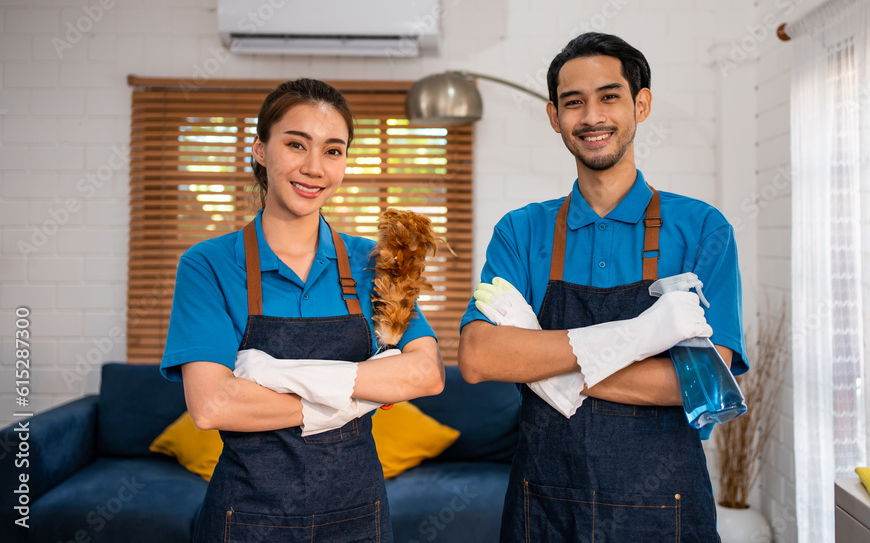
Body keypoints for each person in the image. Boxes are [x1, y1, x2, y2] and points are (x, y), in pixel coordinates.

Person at [459, 33, 748, 542]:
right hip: (543, 507)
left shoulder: (702, 229)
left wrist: (546, 370)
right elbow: (481, 358)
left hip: (665, 510)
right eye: (574, 102)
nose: (592, 116)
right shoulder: (521, 232)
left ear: (641, 104)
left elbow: (705, 383)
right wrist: (636, 354)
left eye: (609, 96)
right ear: (554, 116)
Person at [161, 78, 444, 543]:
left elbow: (426, 374)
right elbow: (212, 405)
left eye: (333, 151)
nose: (314, 168)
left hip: (358, 517)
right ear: (259, 149)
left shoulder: (376, 264)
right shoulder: (208, 265)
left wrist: (272, 379)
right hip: (246, 519)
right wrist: (359, 393)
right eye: (296, 144)